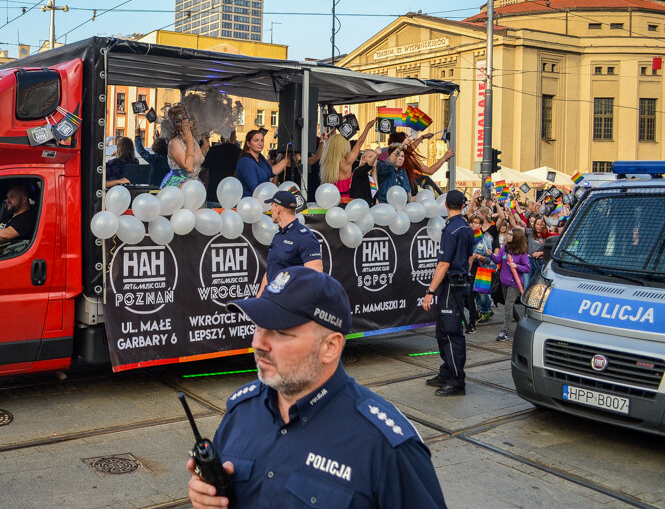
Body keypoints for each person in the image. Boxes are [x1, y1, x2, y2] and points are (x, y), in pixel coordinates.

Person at [187, 266, 446, 508]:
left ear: (330, 347)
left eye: (279, 332)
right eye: (258, 326)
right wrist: (207, 498)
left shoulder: (386, 447)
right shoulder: (241, 412)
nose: (258, 343)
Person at [422, 190, 475, 397]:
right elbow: (469, 257)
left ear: (446, 205)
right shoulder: (467, 228)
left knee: (451, 334)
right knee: (442, 331)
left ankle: (456, 381)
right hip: (459, 284)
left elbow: (443, 264)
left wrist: (430, 291)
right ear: (462, 205)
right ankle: (446, 372)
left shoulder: (451, 230)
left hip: (450, 287)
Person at [257, 190, 322, 295]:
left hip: (291, 303)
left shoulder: (305, 238)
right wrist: (260, 297)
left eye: (272, 206)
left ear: (278, 208)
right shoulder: (278, 236)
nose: (271, 210)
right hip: (272, 300)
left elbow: (315, 278)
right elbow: (271, 270)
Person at [492, 229, 530, 342]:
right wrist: (491, 255)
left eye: (511, 235)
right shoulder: (505, 248)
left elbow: (527, 268)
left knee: (508, 305)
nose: (508, 236)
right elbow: (497, 260)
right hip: (504, 282)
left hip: (515, 284)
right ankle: (520, 325)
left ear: (517, 237)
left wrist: (516, 266)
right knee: (510, 306)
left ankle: (505, 331)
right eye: (508, 234)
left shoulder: (522, 253)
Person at [319, 120, 375, 196]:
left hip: (331, 197)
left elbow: (334, 144)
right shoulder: (347, 160)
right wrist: (367, 128)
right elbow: (359, 143)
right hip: (347, 199)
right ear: (344, 146)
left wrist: (333, 128)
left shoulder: (326, 161)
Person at [160, 104, 205, 188]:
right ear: (174, 127)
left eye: (184, 118)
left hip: (195, 186)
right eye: (178, 121)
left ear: (190, 121)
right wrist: (188, 141)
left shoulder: (194, 141)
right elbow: (189, 168)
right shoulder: (174, 143)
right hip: (179, 186)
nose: (183, 123)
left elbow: (198, 161)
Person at [235, 129, 288, 197]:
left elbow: (271, 172)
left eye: (262, 140)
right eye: (256, 140)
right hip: (251, 202)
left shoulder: (260, 157)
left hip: (262, 200)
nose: (260, 143)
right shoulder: (246, 162)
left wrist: (287, 159)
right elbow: (254, 188)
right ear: (248, 143)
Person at [469, 214, 495, 328]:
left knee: (482, 292)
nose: (473, 224)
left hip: (481, 267)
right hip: (470, 268)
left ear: (480, 225)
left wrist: (478, 257)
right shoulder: (467, 237)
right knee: (471, 293)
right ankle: (477, 311)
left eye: (476, 222)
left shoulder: (485, 240)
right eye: (471, 222)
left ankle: (486, 311)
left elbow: (490, 258)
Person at [201, 131, 242, 205]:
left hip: (214, 194)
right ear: (235, 138)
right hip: (232, 196)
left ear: (221, 137)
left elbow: (202, 169)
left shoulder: (213, 150)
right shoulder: (240, 153)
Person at [375, 139, 413, 204]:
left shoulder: (403, 171)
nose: (400, 158)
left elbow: (408, 192)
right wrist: (402, 145)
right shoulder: (384, 167)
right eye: (398, 156)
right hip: (385, 206)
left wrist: (412, 206)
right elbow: (390, 161)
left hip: (399, 207)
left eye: (402, 156)